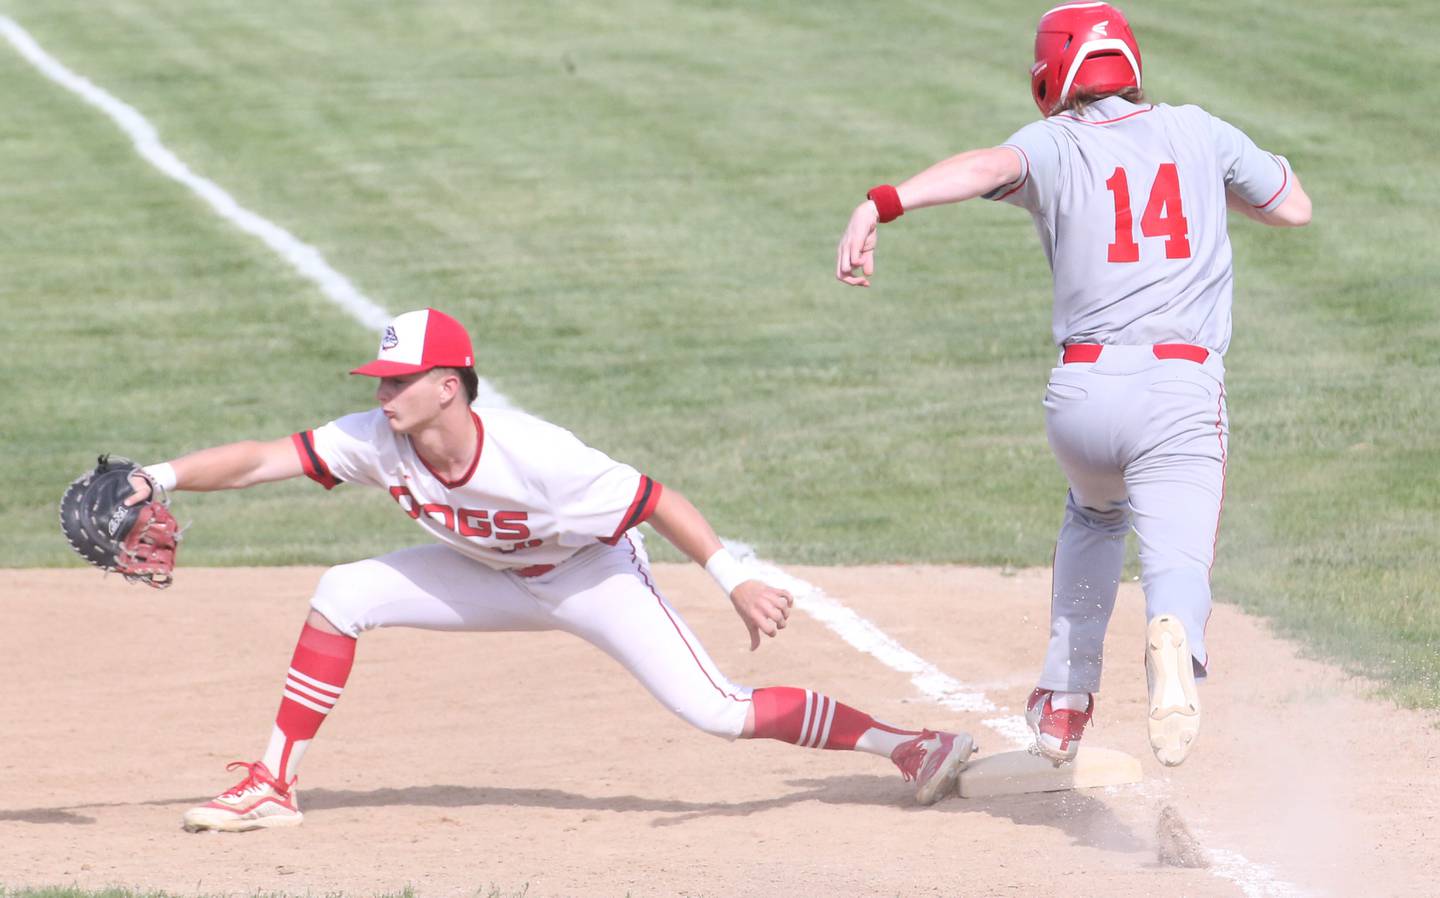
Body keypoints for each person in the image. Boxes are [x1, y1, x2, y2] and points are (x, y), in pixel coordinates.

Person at [126, 307, 974, 831]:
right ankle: (274, 784)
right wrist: (153, 477)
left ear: (450, 386)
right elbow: (255, 461)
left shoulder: (541, 461)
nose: (383, 394)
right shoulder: (375, 439)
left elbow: (655, 499)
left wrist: (733, 579)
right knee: (342, 591)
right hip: (487, 573)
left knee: (719, 712)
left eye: (399, 380)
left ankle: (912, 745)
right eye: (379, 380)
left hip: (589, 578)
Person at [835, 2, 1310, 768]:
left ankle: (1062, 702)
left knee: (1094, 517)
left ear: (1053, 74)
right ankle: (1173, 641)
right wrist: (1204, 188)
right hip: (1179, 394)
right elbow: (1292, 207)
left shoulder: (1052, 144)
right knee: (1176, 565)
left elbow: (985, 168)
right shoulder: (1201, 130)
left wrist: (880, 202)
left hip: (1083, 397)